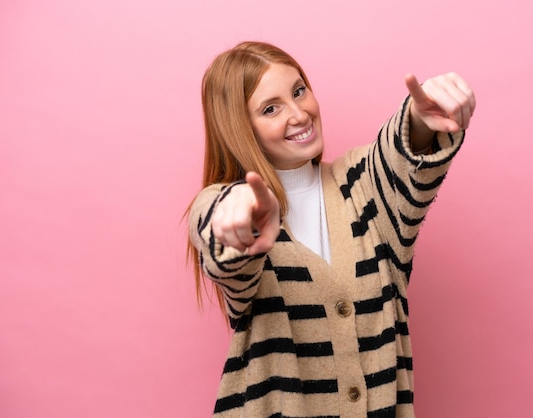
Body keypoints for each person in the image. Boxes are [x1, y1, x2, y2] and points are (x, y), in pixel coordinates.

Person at [187, 41, 475, 417]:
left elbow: (402, 157)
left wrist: (423, 119)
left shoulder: (362, 184)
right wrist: (236, 220)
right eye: (270, 108)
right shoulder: (225, 204)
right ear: (241, 128)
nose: (299, 113)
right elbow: (215, 232)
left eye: (299, 91)